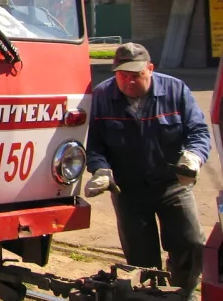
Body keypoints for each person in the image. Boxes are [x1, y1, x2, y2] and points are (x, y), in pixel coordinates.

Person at [84, 42, 210, 301]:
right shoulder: (101, 97)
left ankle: (183, 293)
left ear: (150, 69)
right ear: (114, 72)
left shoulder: (176, 90)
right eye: (123, 75)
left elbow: (198, 132)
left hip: (173, 185)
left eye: (136, 75)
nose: (129, 81)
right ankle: (150, 296)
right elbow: (93, 144)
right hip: (128, 190)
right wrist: (100, 170)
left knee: (191, 243)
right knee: (141, 259)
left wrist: (193, 158)